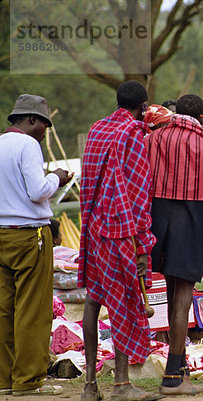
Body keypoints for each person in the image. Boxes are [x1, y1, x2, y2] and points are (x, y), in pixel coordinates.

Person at [146, 94, 203, 395]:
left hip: (157, 227)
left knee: (171, 296)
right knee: (183, 300)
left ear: (177, 113)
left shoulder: (155, 138)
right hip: (190, 228)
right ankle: (172, 377)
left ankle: (180, 368)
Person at [79, 81, 160, 401]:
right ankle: (122, 385)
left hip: (95, 228)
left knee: (94, 299)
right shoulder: (133, 134)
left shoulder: (97, 130)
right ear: (143, 106)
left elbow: (89, 181)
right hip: (121, 231)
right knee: (124, 301)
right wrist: (142, 244)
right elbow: (139, 194)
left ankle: (89, 386)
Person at [0, 94, 71, 396]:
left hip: (2, 232)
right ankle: (27, 381)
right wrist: (56, 176)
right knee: (31, 309)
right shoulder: (28, 145)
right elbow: (36, 191)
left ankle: (4, 380)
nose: (45, 131)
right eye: (44, 124)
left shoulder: (1, 143)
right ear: (31, 120)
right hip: (30, 236)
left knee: (4, 309)